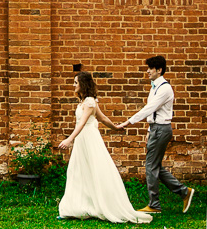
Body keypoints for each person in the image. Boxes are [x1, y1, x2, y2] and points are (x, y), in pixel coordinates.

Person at [58, 71, 152, 224]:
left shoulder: (89, 102)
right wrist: (115, 127)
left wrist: (69, 139)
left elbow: (82, 123)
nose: (73, 85)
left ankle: (97, 205)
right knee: (79, 170)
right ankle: (78, 206)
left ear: (83, 84)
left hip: (88, 138)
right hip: (83, 140)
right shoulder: (87, 101)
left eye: (76, 82)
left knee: (94, 169)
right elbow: (102, 118)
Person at [117, 55, 194, 216]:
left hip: (161, 129)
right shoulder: (155, 87)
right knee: (155, 166)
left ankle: (155, 204)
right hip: (156, 129)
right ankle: (183, 192)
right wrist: (148, 131)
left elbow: (149, 108)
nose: (147, 71)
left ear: (159, 70)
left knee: (150, 166)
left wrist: (128, 122)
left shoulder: (164, 88)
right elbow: (153, 112)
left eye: (150, 68)